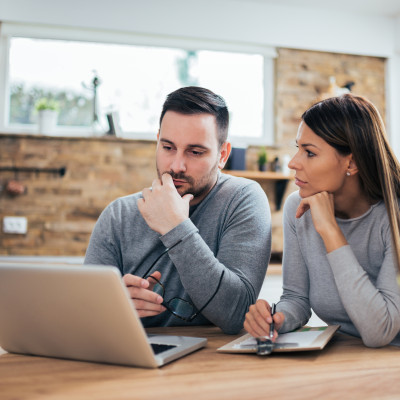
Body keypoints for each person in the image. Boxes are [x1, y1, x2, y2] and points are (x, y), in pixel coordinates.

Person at [85, 86, 271, 334]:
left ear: (223, 155)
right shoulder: (119, 215)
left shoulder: (242, 199)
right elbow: (85, 315)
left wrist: (175, 226)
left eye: (195, 152)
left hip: (214, 362)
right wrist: (111, 307)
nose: (176, 165)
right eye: (168, 147)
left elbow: (236, 314)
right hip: (136, 354)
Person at [244, 94, 400, 347]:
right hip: (345, 355)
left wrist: (330, 231)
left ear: (352, 162)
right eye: (298, 149)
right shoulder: (297, 208)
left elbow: (380, 332)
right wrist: (277, 318)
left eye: (310, 153)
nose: (294, 163)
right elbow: (296, 298)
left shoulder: (393, 218)